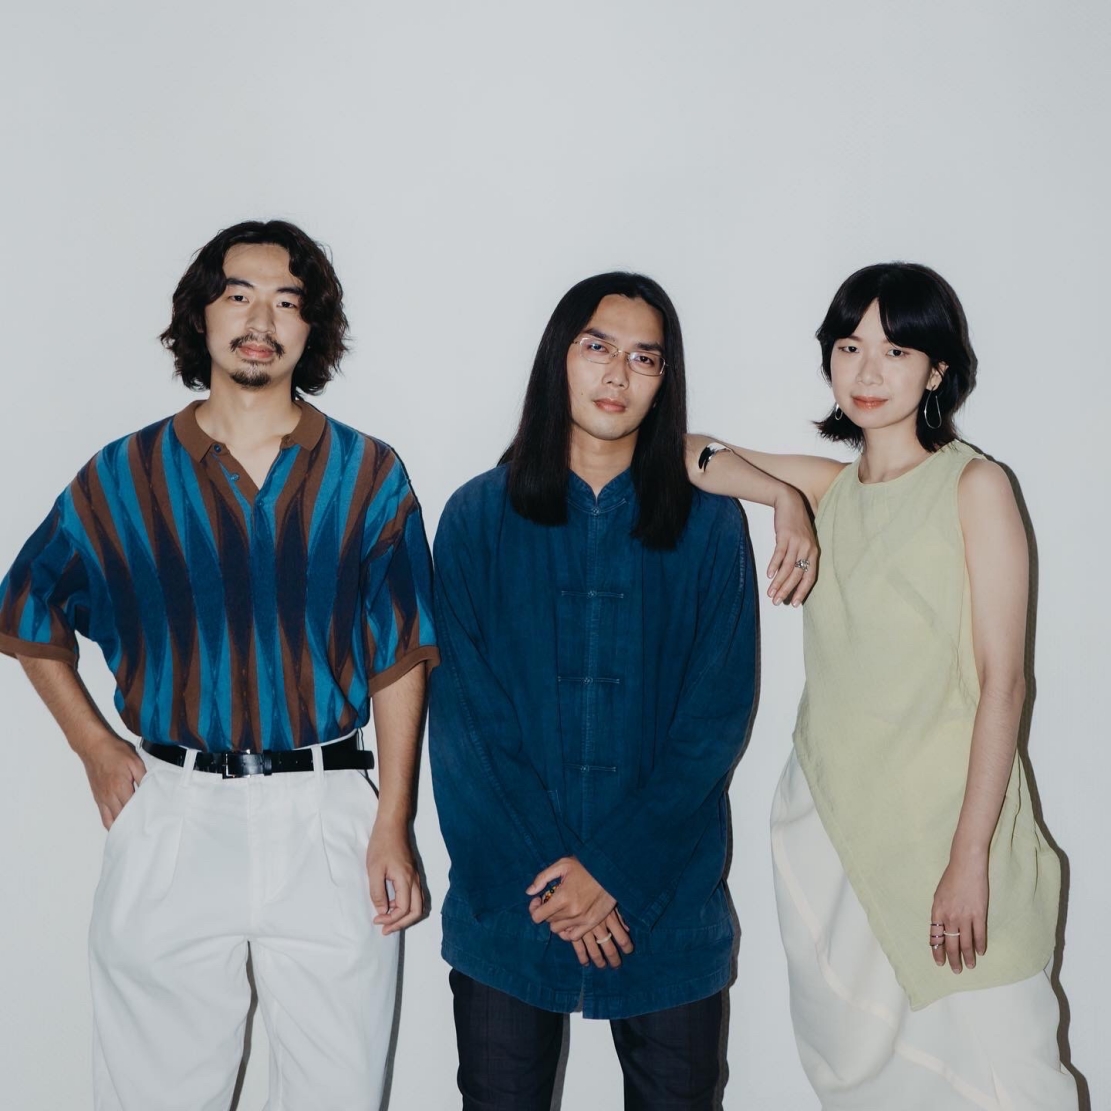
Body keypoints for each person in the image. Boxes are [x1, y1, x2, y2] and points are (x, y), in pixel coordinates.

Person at [0, 220, 438, 1110]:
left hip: (326, 811)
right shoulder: (125, 477)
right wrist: (94, 745)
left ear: (312, 328)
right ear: (200, 314)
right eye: (238, 295)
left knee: (338, 1093)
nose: (260, 320)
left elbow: (399, 654)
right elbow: (27, 606)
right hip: (173, 810)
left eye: (287, 301)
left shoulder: (368, 476)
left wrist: (392, 820)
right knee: (154, 1093)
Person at [689, 262, 1078, 1109]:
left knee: (1014, 1077)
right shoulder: (828, 489)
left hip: (955, 837)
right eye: (848, 346)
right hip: (841, 837)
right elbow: (686, 454)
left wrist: (967, 860)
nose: (867, 370)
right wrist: (782, 497)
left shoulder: (974, 485)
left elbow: (1004, 684)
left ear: (936, 369)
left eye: (895, 350)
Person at [429, 272, 761, 1110]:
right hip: (511, 905)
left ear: (664, 379)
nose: (618, 374)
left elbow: (712, 722)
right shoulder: (475, 518)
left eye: (644, 358)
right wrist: (556, 887)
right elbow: (467, 731)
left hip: (667, 901)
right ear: (559, 358)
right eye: (597, 347)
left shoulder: (710, 526)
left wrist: (613, 870)